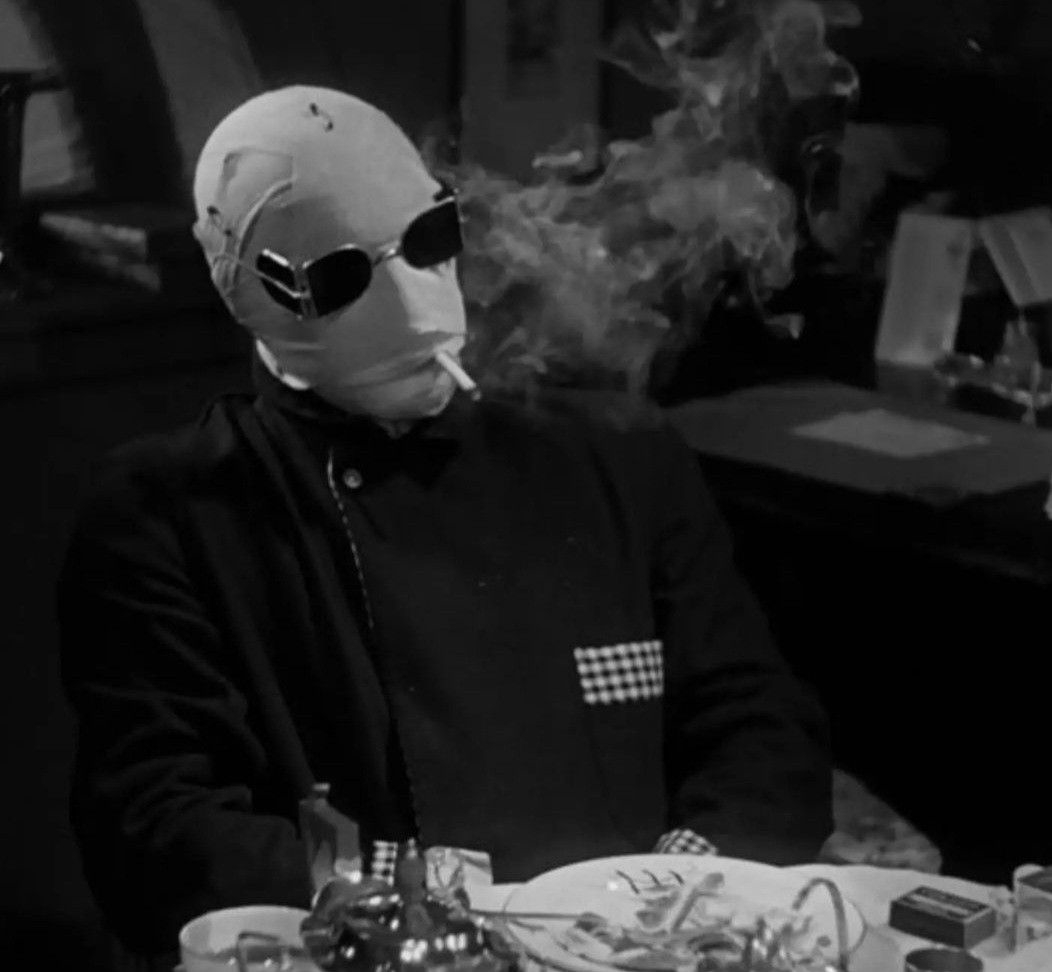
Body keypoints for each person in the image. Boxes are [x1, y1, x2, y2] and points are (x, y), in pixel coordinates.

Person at [57, 86, 833, 962]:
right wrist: (432, 908)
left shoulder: (616, 456)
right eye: (343, 275)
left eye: (427, 239)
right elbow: (160, 829)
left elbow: (764, 733)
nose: (409, 298)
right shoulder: (169, 514)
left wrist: (673, 902)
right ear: (254, 294)